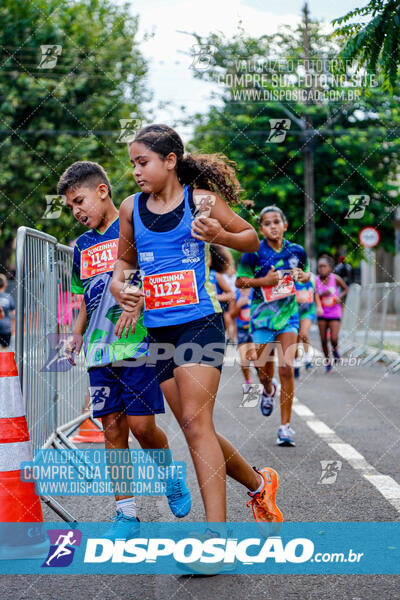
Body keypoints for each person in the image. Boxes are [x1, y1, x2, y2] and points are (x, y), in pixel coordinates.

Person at [110, 123, 283, 525]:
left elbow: (251, 238)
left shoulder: (200, 201)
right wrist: (120, 289)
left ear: (170, 162)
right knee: (194, 428)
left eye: (143, 162)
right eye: (132, 164)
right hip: (158, 330)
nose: (136, 171)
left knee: (194, 421)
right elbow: (125, 264)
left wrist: (220, 233)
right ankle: (259, 485)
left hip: (199, 323)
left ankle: (216, 537)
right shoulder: (130, 208)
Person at [57, 161, 191, 539]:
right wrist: (76, 334)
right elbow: (85, 297)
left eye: (79, 201)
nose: (77, 211)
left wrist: (142, 304)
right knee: (112, 428)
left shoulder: (133, 227)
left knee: (143, 427)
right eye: (70, 207)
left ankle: (169, 475)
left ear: (102, 190)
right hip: (99, 351)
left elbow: (159, 276)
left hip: (138, 343)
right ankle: (126, 514)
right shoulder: (81, 246)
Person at [236, 206, 310, 447]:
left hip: (288, 315)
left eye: (277, 221)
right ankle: (268, 389)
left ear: (285, 225)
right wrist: (264, 281)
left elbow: (307, 276)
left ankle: (285, 427)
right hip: (262, 317)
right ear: (261, 229)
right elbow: (240, 280)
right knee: (262, 368)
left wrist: (302, 276)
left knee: (287, 367)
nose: (273, 226)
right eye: (267, 223)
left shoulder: (297, 251)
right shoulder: (253, 252)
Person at [315, 255, 348, 372]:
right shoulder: (316, 281)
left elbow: (345, 289)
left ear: (329, 268)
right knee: (323, 339)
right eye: (320, 267)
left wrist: (340, 297)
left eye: (324, 266)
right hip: (322, 313)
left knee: (334, 338)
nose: (322, 269)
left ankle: (335, 349)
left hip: (334, 312)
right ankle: (327, 361)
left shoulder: (336, 278)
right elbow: (314, 295)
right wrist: (321, 296)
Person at [293, 274, 323, 378]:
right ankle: (296, 363)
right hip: (294, 312)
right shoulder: (292, 281)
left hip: (308, 311)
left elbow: (315, 294)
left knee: (303, 334)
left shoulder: (311, 280)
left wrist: (319, 306)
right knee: (295, 338)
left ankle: (307, 358)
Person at [209, 244, 235, 337]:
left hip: (217, 314)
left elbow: (231, 295)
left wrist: (215, 297)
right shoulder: (193, 275)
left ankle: (228, 337)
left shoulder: (215, 275)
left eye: (208, 256)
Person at [230, 286, 254, 386]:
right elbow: (232, 315)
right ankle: (248, 381)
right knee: (244, 360)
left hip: (254, 329)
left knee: (255, 356)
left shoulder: (256, 291)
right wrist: (239, 305)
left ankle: (267, 381)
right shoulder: (235, 294)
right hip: (242, 331)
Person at [0, 274, 15, 351]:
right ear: (5, 285)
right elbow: (13, 313)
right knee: (4, 349)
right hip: (5, 327)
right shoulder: (8, 297)